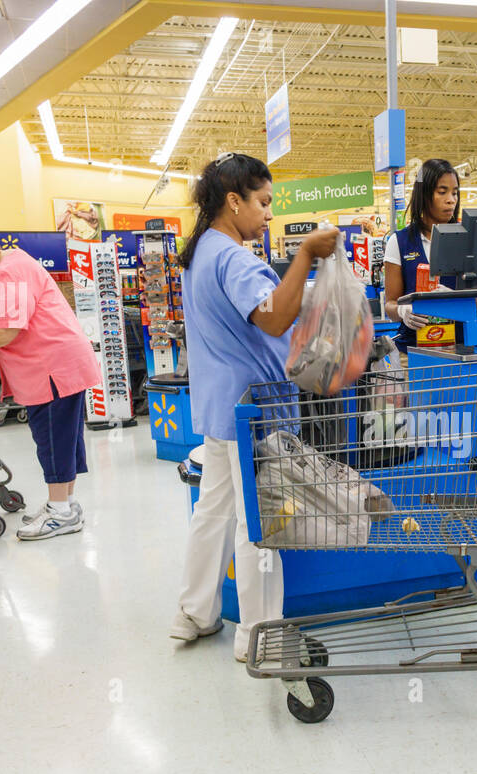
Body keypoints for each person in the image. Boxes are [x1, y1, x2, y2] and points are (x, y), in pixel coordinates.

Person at [169, 152, 339, 662]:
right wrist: (307, 253)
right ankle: (259, 635)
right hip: (253, 411)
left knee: (214, 512)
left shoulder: (202, 251)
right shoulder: (234, 257)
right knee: (258, 522)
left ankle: (195, 611)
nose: (268, 215)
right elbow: (271, 319)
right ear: (233, 200)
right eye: (263, 203)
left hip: (221, 408)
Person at [0, 225, 101, 541]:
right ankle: (64, 504)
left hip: (50, 368)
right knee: (65, 439)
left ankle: (61, 514)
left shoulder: (7, 276)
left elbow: (5, 333)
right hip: (60, 363)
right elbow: (9, 322)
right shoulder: (15, 260)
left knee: (53, 441)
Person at [383, 158, 477, 351]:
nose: (451, 199)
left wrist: (458, 301)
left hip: (461, 348)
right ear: (424, 194)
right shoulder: (399, 242)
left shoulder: (469, 240)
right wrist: (402, 310)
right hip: (412, 351)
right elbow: (390, 304)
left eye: (455, 193)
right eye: (442, 192)